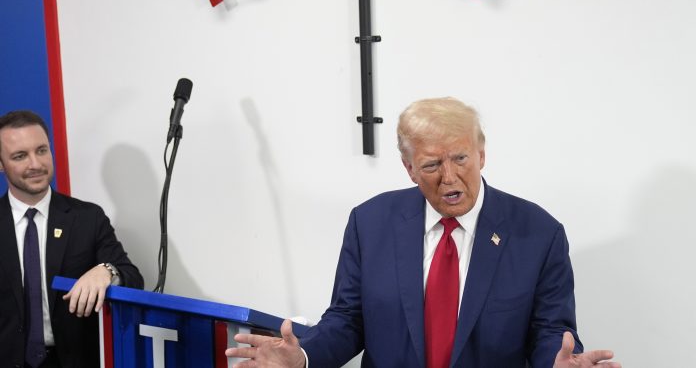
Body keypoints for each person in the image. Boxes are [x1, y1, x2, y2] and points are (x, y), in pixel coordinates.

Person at [226, 97, 620, 367]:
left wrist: (558, 363)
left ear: (482, 153)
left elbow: (550, 331)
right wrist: (303, 357)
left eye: (461, 158)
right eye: (431, 165)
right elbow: (347, 320)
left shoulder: (539, 233)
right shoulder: (370, 223)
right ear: (409, 168)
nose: (450, 177)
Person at [0, 110, 143, 367]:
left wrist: (107, 270)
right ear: (1, 163)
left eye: (42, 150)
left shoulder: (87, 218)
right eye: (20, 156)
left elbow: (133, 278)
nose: (35, 164)